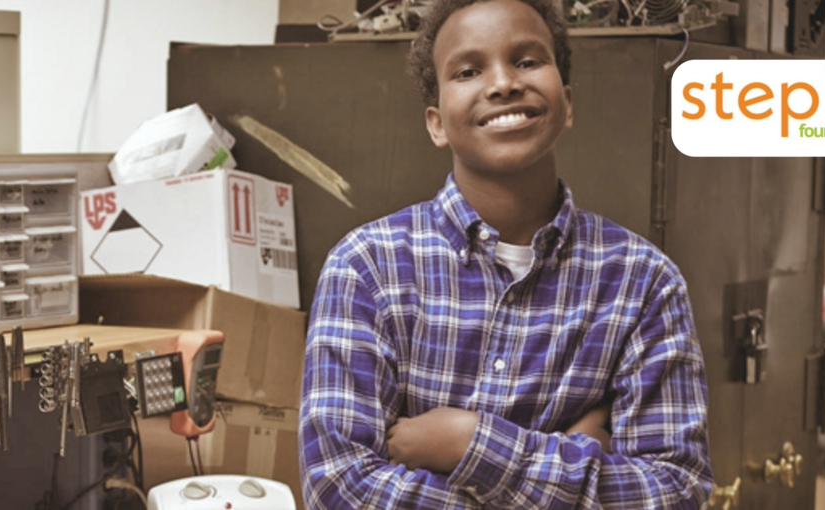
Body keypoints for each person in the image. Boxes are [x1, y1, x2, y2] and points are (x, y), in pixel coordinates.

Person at [297, 0, 714, 508]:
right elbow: (338, 487)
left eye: (528, 61)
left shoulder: (643, 282)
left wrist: (467, 442)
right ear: (436, 124)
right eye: (469, 70)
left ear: (567, 103)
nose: (503, 83)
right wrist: (570, 454)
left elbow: (676, 491)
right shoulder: (367, 268)